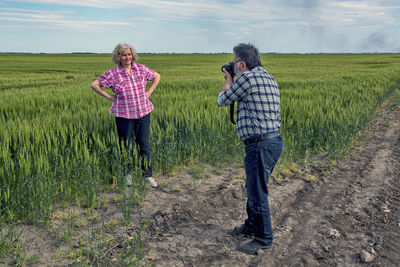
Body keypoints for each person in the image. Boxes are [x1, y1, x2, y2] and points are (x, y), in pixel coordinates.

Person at [217, 43, 283, 254]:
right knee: (255, 186)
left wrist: (228, 79)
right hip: (272, 142)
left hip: (259, 145)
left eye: (234, 62)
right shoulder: (267, 76)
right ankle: (251, 225)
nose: (232, 65)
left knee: (257, 192)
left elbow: (222, 100)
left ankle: (263, 238)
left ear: (242, 64)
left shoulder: (246, 78)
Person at [91, 43, 160, 187]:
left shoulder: (140, 68)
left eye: (129, 54)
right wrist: (109, 96)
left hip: (143, 112)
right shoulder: (112, 73)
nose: (127, 57)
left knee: (144, 145)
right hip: (123, 114)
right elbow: (94, 85)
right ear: (118, 57)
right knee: (126, 146)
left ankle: (147, 175)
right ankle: (127, 174)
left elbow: (156, 76)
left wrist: (149, 92)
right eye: (123, 55)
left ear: (132, 55)